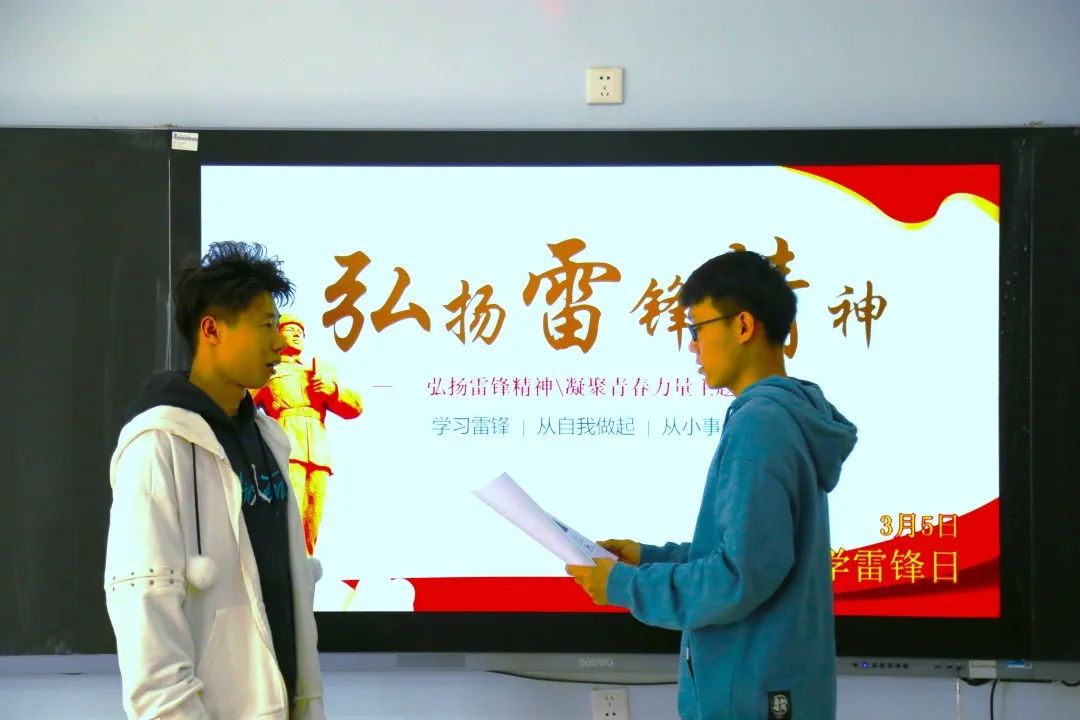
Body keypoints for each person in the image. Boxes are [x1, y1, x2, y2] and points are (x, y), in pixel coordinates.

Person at [566, 249, 857, 720]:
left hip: (751, 702)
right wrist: (648, 557)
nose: (693, 347)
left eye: (697, 329)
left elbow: (738, 577)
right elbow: (749, 552)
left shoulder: (761, 425)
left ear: (742, 326)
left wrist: (625, 586)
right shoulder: (784, 416)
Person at [104, 241, 325, 720]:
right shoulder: (157, 445)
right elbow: (147, 619)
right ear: (211, 330)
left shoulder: (268, 437)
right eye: (265, 325)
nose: (280, 343)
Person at [253, 314, 362, 556]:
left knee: (312, 518)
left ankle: (305, 566)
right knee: (288, 512)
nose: (297, 334)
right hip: (286, 445)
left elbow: (355, 408)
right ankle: (284, 563)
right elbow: (240, 405)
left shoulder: (317, 370)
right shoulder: (267, 369)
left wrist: (333, 392)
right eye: (290, 329)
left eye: (300, 332)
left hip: (318, 451)